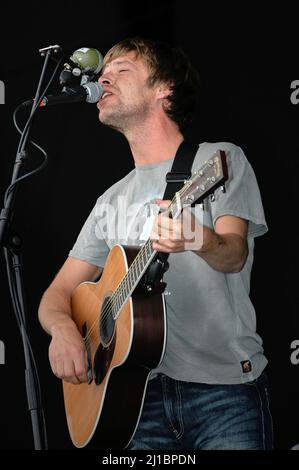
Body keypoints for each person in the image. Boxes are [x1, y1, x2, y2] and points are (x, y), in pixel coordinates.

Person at [38, 37, 273, 450]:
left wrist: (199, 239)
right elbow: (56, 295)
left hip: (222, 393)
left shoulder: (217, 160)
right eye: (102, 71)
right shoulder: (109, 200)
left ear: (164, 88)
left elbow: (235, 255)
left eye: (121, 69)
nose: (103, 77)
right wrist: (64, 332)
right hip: (132, 402)